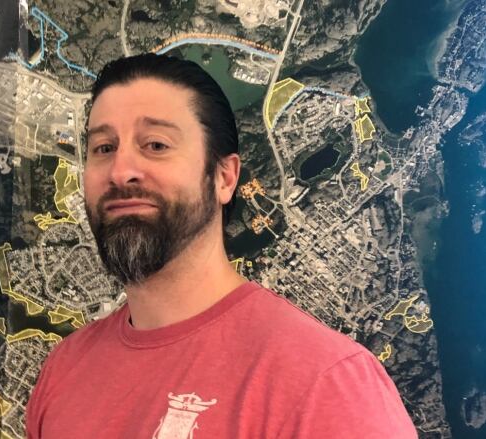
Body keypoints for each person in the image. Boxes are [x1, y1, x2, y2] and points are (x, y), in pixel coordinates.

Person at [26, 53, 417, 438]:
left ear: (225, 178)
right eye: (104, 148)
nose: (121, 170)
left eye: (156, 144)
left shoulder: (329, 388)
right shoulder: (63, 370)